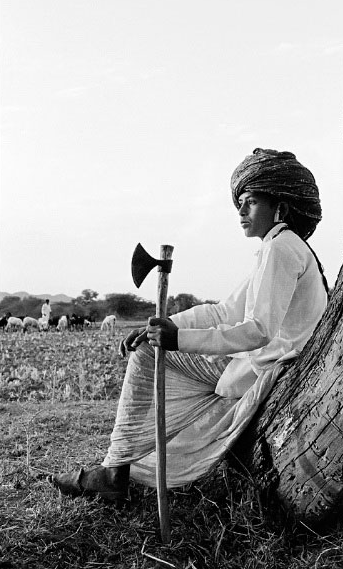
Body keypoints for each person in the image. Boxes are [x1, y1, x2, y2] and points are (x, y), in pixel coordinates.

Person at [50, 148, 328, 502]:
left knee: (149, 355)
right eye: (239, 203)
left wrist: (176, 339)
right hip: (256, 364)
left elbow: (258, 330)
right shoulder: (279, 245)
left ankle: (113, 474)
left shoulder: (281, 250)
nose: (241, 212)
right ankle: (115, 470)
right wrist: (163, 325)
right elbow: (224, 312)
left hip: (267, 368)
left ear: (281, 209)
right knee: (152, 347)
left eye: (251, 202)